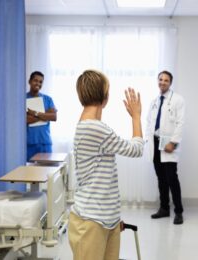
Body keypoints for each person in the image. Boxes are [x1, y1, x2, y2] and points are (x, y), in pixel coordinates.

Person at [68, 70, 144, 260]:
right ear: (105, 96)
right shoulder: (95, 128)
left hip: (105, 218)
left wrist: (113, 217)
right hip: (91, 221)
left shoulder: (88, 124)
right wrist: (136, 116)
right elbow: (136, 149)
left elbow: (102, 175)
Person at [146, 70, 185, 225]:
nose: (162, 82)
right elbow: (149, 121)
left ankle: (179, 212)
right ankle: (164, 209)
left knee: (172, 179)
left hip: (168, 143)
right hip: (155, 143)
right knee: (161, 178)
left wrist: (173, 142)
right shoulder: (155, 101)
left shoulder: (177, 100)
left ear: (170, 83)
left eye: (166, 80)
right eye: (160, 79)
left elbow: (180, 122)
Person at [26, 71, 57, 161]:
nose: (38, 83)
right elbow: (25, 119)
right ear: (29, 81)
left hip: (45, 143)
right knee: (30, 173)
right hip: (29, 144)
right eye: (35, 80)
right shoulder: (23, 98)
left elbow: (54, 117)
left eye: (40, 82)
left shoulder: (48, 99)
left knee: (46, 172)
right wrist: (45, 114)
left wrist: (34, 113)